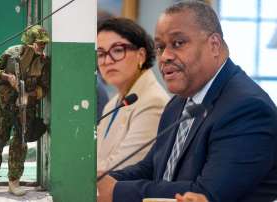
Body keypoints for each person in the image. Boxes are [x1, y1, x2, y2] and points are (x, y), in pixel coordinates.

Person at [97, 2, 277, 202]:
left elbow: (206, 192)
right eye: (160, 47)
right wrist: (104, 181)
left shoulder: (247, 108)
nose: (164, 57)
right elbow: (152, 167)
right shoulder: (178, 103)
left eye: (178, 43)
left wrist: (116, 191)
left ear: (214, 45)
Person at [0, 25, 50, 196]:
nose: (42, 47)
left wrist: (29, 94)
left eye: (44, 44)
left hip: (24, 110)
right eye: (39, 43)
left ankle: (14, 182)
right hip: (4, 107)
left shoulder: (43, 62)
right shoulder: (11, 54)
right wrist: (7, 77)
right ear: (30, 42)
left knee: (19, 146)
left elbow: (44, 88)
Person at [97, 18, 169, 172]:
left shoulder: (153, 101)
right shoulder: (112, 104)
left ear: (141, 56)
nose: (107, 61)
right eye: (101, 53)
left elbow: (122, 168)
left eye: (117, 50)